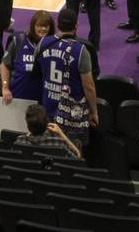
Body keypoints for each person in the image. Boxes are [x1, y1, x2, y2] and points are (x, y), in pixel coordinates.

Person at [39, 8, 100, 148]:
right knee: (73, 152)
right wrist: (94, 111)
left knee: (49, 149)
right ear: (76, 25)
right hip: (72, 115)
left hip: (48, 106)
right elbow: (89, 86)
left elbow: (38, 72)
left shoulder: (43, 43)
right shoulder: (80, 50)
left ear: (57, 23)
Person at [16, 103, 81, 159]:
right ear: (47, 122)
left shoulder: (20, 141)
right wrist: (61, 133)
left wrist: (30, 131)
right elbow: (77, 157)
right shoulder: (59, 143)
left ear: (28, 125)